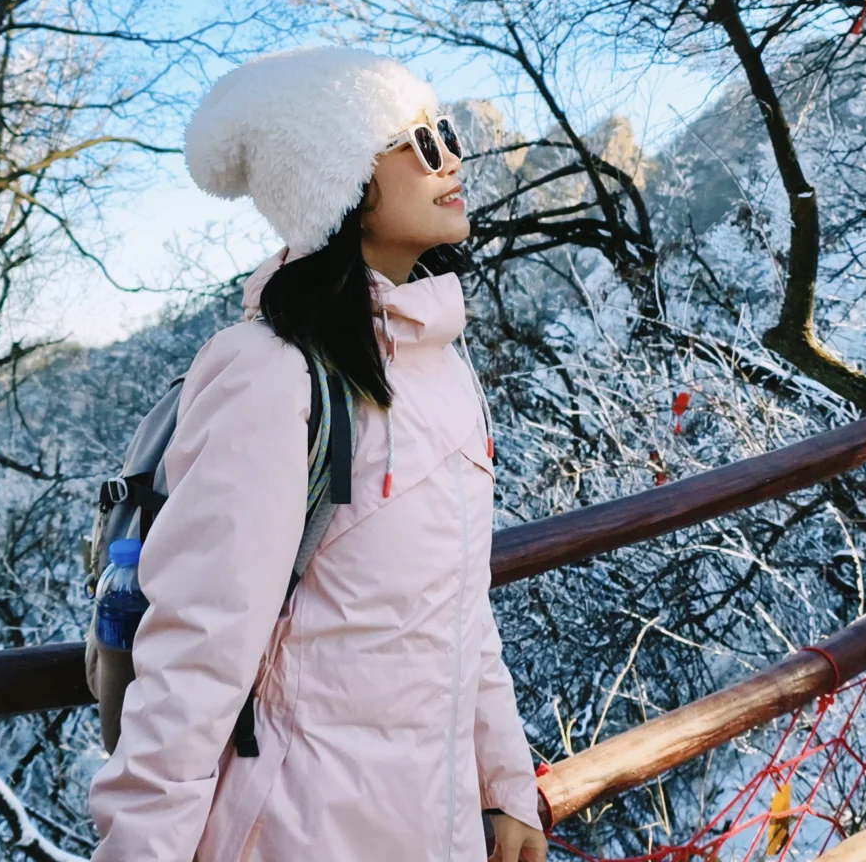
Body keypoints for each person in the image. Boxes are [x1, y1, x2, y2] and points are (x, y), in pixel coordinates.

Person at [88, 46, 547, 862]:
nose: (451, 158)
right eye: (420, 142)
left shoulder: (442, 366)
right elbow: (196, 658)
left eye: (447, 133)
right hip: (295, 832)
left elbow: (461, 614)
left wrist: (503, 786)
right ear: (341, 180)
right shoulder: (272, 376)